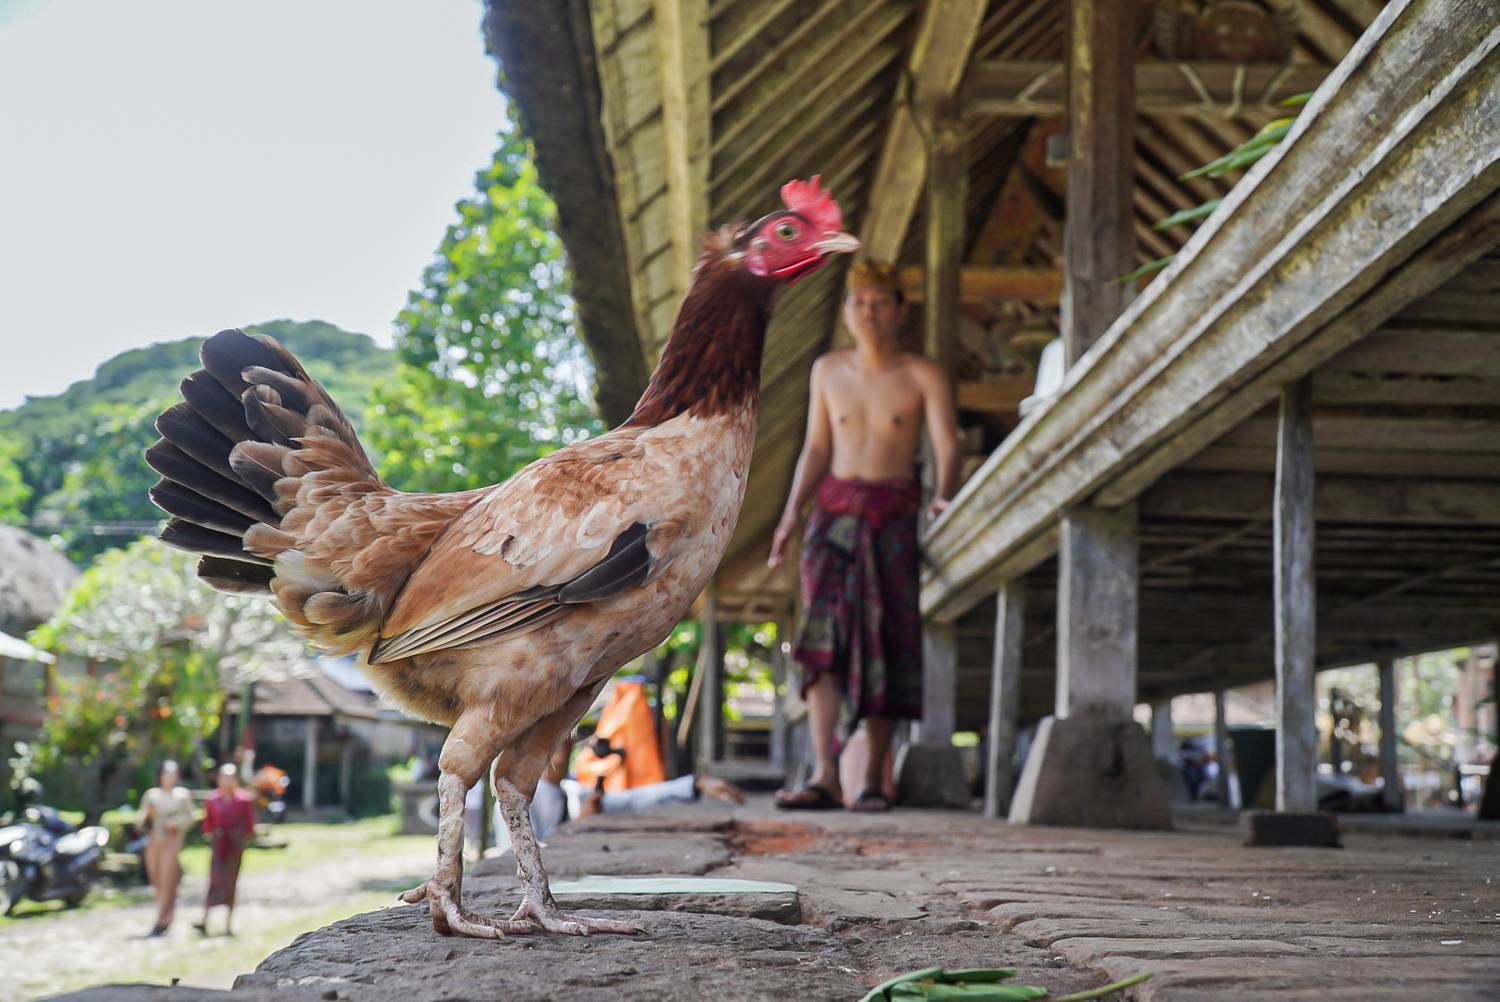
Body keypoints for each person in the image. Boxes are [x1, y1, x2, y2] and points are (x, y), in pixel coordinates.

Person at [768, 258, 960, 813]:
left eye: (880, 302)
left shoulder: (922, 375)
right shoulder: (827, 370)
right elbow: (816, 448)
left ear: (900, 311)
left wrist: (944, 493)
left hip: (893, 518)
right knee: (819, 645)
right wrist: (790, 514)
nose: (869, 312)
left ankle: (874, 777)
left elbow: (948, 444)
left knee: (888, 641)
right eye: (859, 302)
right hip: (830, 519)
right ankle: (825, 775)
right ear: (847, 313)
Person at [195, 763, 256, 935]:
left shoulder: (244, 799)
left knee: (231, 882)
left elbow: (249, 824)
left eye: (230, 777)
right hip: (218, 844)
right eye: (224, 777)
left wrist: (241, 838)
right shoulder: (212, 799)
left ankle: (228, 923)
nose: (227, 781)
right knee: (214, 880)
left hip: (235, 846)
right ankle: (204, 919)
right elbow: (208, 824)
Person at [137, 760, 195, 937]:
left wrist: (175, 823)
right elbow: (140, 820)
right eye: (167, 773)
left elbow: (190, 817)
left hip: (172, 840)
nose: (170, 777)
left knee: (168, 878)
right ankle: (163, 914)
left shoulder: (182, 795)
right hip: (154, 840)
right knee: (156, 879)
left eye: (173, 773)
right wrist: (148, 815)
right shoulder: (151, 794)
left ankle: (163, 919)